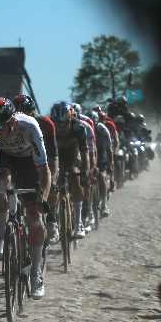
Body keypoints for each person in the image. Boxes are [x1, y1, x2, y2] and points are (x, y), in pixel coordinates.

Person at [0, 97, 51, 299]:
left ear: (13, 121)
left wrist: (43, 198)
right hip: (3, 157)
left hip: (27, 161)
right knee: (0, 182)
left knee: (34, 217)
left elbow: (44, 171)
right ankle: (0, 234)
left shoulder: (29, 126)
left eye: (3, 127)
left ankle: (35, 273)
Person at [14, 94, 60, 243]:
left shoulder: (46, 124)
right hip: (23, 159)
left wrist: (52, 177)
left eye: (26, 113)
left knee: (50, 186)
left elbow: (53, 155)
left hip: (43, 158)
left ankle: (51, 219)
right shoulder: (13, 125)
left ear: (33, 112)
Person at [51, 101, 89, 239]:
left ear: (71, 119)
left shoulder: (79, 127)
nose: (61, 127)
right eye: (58, 124)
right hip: (56, 158)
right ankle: (53, 222)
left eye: (64, 124)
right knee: (52, 187)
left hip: (73, 156)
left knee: (76, 179)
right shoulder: (49, 128)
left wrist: (85, 172)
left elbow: (85, 152)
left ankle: (79, 223)